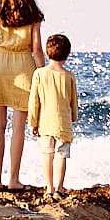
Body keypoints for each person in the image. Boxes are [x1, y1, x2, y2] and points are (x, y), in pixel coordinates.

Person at [0, 0, 45, 191]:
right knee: (18, 127)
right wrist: (44, 74)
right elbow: (37, 50)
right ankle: (14, 180)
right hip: (24, 67)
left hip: (0, 66)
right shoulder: (33, 16)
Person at [28, 33, 78, 198]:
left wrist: (33, 122)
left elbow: (34, 101)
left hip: (45, 124)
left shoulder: (39, 74)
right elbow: (73, 101)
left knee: (47, 156)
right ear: (67, 54)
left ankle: (49, 188)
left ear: (47, 53)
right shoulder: (69, 76)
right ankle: (59, 188)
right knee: (61, 156)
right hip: (63, 124)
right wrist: (73, 117)